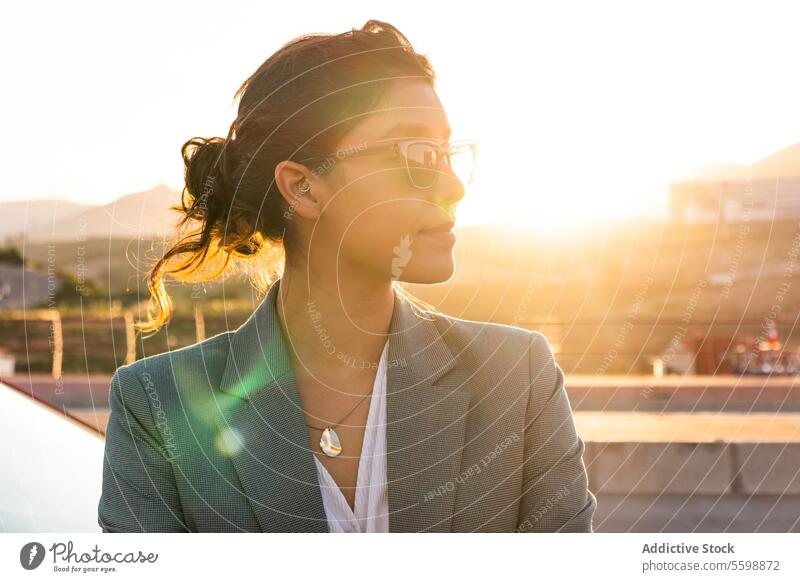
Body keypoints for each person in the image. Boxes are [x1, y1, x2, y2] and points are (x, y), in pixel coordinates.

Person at [98, 19, 596, 533]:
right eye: (420, 155)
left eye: (447, 155)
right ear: (305, 188)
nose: (453, 185)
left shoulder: (518, 379)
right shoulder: (156, 406)